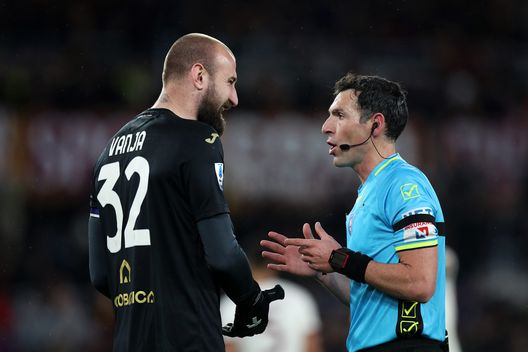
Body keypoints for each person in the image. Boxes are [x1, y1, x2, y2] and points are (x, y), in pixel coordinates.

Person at [88, 33, 283, 352]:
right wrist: (252, 299)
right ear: (199, 75)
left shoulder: (108, 152)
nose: (234, 98)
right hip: (188, 338)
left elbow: (100, 274)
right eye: (230, 81)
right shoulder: (196, 140)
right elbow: (222, 252)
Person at [261, 73, 448, 352]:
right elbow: (367, 293)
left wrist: (340, 259)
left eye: (339, 115)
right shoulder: (369, 193)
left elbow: (420, 283)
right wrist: (324, 270)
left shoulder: (404, 185)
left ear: (375, 124)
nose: (326, 127)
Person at [220, 237, 323, 352]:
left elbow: (229, 349)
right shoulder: (299, 295)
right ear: (274, 263)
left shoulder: (230, 303)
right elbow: (313, 346)